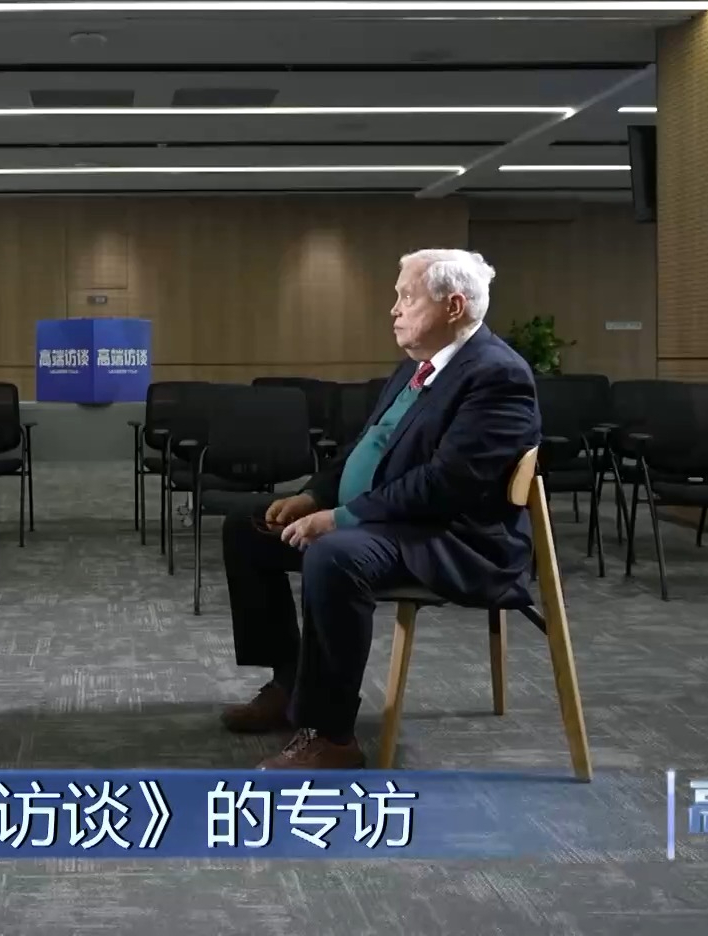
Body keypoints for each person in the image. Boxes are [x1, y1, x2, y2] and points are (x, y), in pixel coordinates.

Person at [218, 248, 540, 770]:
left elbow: (445, 486)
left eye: (407, 297)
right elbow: (367, 446)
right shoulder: (418, 366)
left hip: (452, 536)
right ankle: (290, 682)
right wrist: (315, 496)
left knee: (334, 555)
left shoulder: (497, 376)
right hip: (391, 521)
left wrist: (341, 518)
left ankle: (330, 735)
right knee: (248, 528)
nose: (394, 308)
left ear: (453, 306)